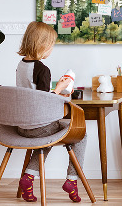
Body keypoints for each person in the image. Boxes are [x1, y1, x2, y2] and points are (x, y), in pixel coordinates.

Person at [16, 21, 86, 203]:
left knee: (46, 138)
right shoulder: (42, 69)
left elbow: (33, 94)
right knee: (81, 134)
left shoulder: (21, 65)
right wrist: (60, 89)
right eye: (52, 44)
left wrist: (55, 89)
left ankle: (28, 178)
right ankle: (72, 180)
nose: (52, 49)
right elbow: (43, 101)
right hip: (39, 126)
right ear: (43, 45)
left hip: (22, 126)